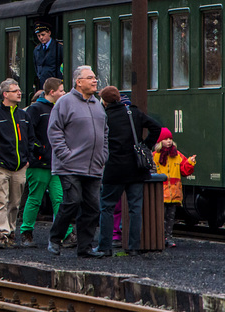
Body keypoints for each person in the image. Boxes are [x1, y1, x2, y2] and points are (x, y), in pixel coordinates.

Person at [47, 65, 107, 258]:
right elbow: (54, 131)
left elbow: (105, 132)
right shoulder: (64, 103)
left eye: (95, 77)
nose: (95, 80)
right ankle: (55, 239)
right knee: (72, 201)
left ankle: (85, 248)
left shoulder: (97, 104)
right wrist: (65, 155)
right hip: (70, 165)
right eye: (90, 78)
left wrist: (103, 155)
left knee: (92, 207)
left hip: (94, 166)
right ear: (78, 82)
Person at [96, 85, 160, 256]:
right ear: (118, 98)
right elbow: (156, 127)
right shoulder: (133, 113)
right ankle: (133, 247)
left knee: (107, 207)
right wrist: (145, 145)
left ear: (104, 101)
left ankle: (105, 246)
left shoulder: (104, 116)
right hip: (135, 167)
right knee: (135, 208)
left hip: (114, 167)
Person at [0, 78, 32, 249]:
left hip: (19, 166)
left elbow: (30, 140)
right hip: (0, 167)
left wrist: (27, 160)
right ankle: (1, 234)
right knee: (0, 200)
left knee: (15, 203)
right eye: (15, 90)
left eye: (19, 89)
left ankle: (10, 232)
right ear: (5, 94)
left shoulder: (23, 116)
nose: (19, 92)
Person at [20, 78, 72, 248]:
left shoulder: (56, 108)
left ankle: (66, 233)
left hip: (55, 163)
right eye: (61, 90)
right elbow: (29, 134)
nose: (64, 93)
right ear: (52, 92)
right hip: (40, 163)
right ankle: (26, 232)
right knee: (36, 198)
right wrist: (39, 151)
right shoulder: (36, 109)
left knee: (59, 199)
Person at [153, 128, 196, 248]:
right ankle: (161, 237)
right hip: (161, 193)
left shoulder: (177, 155)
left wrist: (190, 163)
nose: (169, 141)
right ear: (161, 141)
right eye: (166, 139)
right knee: (162, 217)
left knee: (171, 217)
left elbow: (184, 170)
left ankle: (169, 237)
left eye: (170, 139)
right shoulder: (155, 156)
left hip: (174, 193)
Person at [33, 23, 64, 90]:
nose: (41, 38)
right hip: (42, 84)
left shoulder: (58, 47)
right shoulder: (37, 50)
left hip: (56, 84)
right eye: (38, 36)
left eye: (43, 35)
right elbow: (36, 66)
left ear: (49, 33)